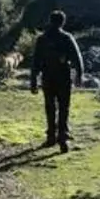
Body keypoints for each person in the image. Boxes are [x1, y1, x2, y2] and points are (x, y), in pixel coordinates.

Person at [29, 9, 84, 153]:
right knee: (64, 106)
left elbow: (35, 61)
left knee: (50, 106)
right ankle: (62, 136)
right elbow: (77, 57)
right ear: (63, 22)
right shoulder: (67, 37)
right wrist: (79, 75)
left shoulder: (42, 39)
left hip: (47, 76)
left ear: (50, 21)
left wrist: (33, 80)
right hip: (63, 76)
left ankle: (51, 136)